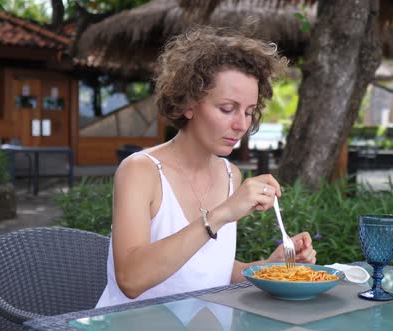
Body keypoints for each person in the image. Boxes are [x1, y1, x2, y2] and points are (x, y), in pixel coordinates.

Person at [96, 26, 317, 308]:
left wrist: (266, 267)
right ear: (188, 103)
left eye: (249, 112)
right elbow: (131, 279)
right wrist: (221, 214)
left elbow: (209, 272)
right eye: (227, 108)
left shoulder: (230, 175)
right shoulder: (141, 171)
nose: (241, 125)